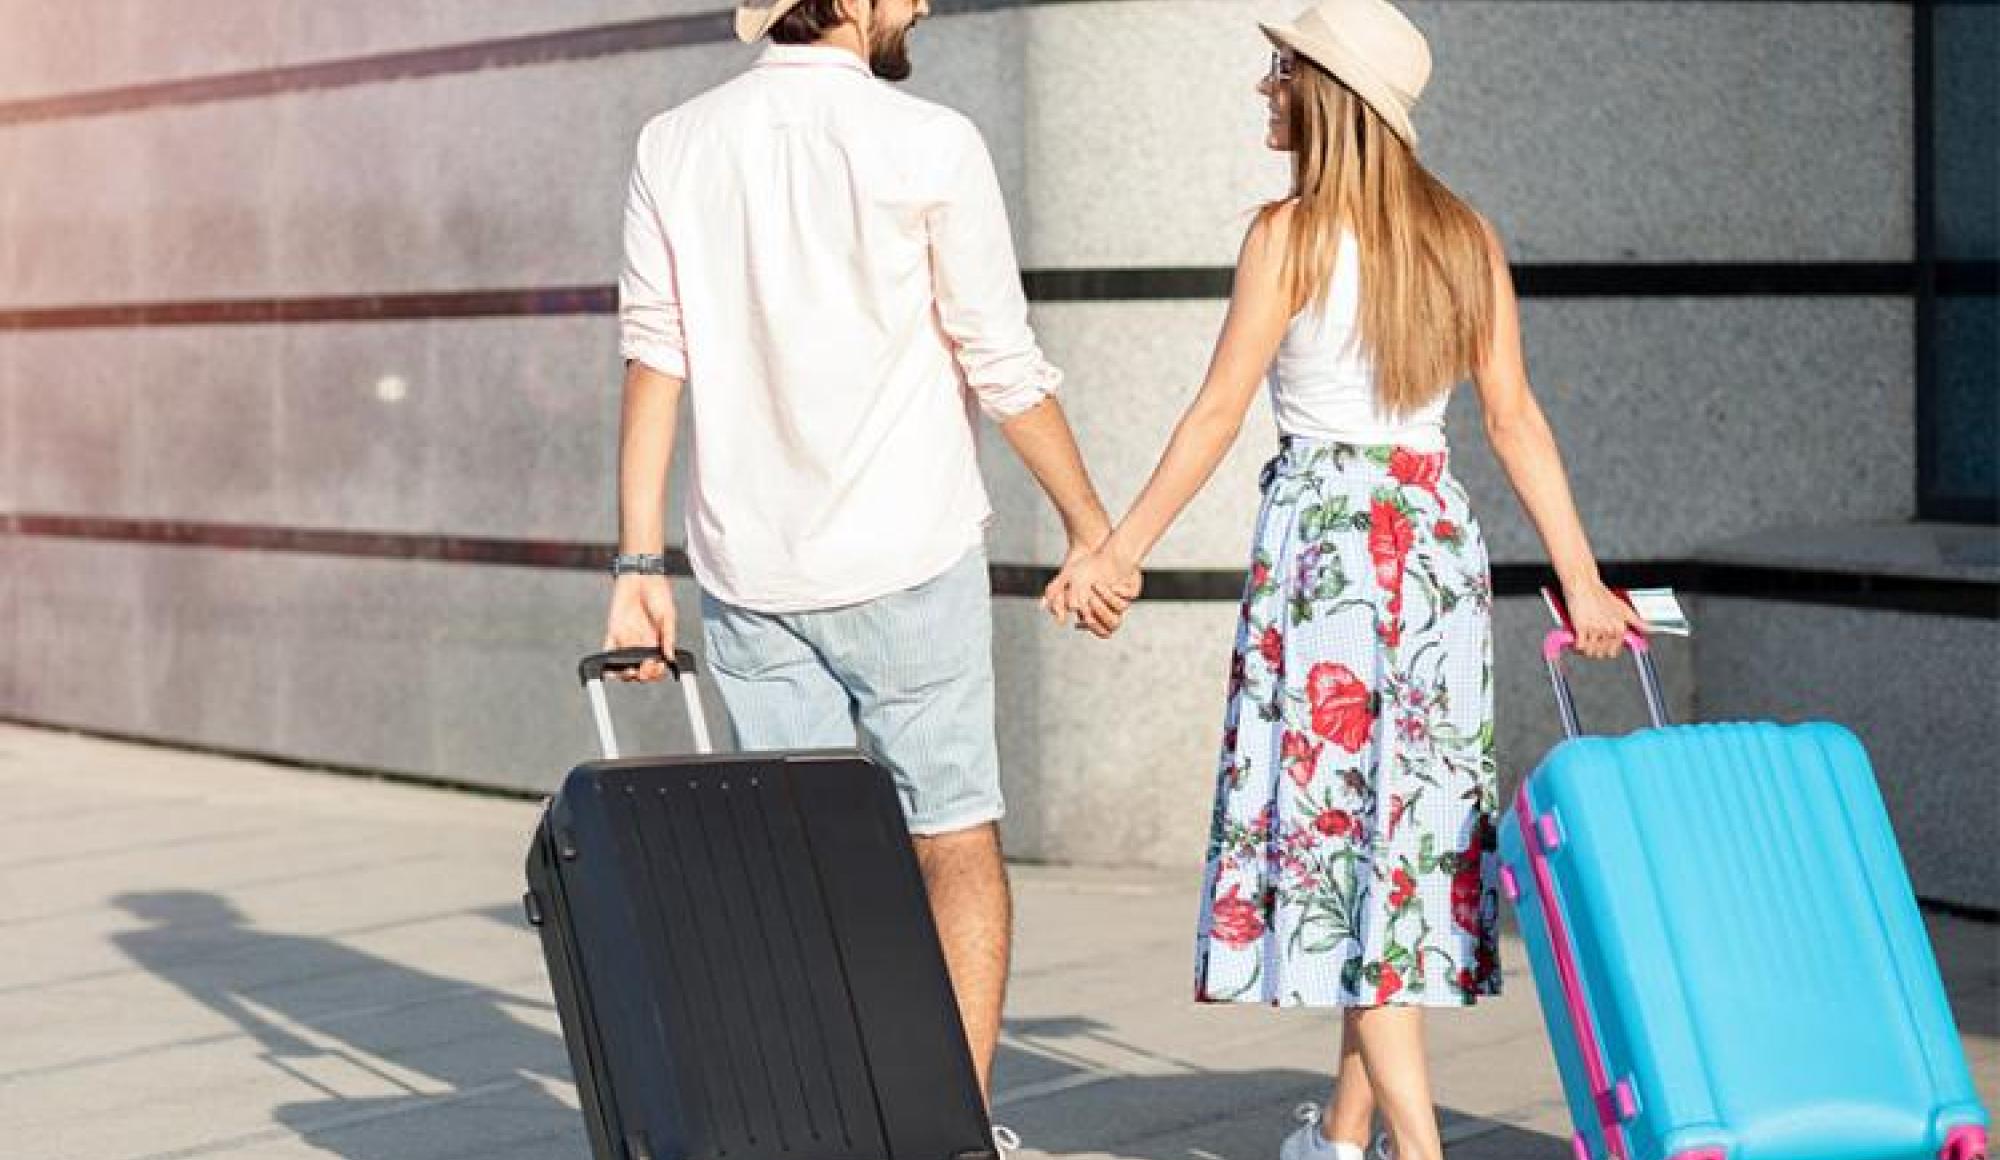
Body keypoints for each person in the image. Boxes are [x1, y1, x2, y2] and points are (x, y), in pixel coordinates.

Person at [1045, 1, 1647, 1157]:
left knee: (1344, 851)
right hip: (1427, 549)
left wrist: (1119, 548)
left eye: (1278, 68)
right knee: (1396, 850)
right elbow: (1513, 421)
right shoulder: (1462, 235)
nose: (1262, 86)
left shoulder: (1290, 235)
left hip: (1324, 555)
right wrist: (1579, 580)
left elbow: (1217, 413)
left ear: (1328, 93)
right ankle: (1335, 1139)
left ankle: (1414, 1151)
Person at [598, 0, 1121, 1132]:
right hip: (907, 557)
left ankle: (823, 1122)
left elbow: (655, 356)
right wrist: (1091, 523)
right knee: (954, 838)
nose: (922, 3)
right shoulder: (929, 141)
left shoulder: (672, 144)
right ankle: (953, 1129)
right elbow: (997, 356)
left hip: (751, 572)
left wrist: (639, 560)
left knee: (800, 866)